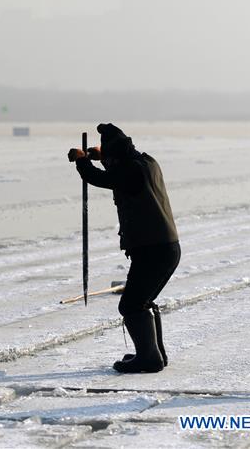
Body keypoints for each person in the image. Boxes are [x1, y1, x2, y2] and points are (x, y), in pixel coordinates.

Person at [67, 123, 180, 373]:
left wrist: (82, 161)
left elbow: (101, 178)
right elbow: (123, 168)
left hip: (152, 250)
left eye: (109, 156)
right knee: (141, 300)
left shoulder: (129, 171)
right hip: (165, 247)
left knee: (131, 305)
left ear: (115, 156)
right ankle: (153, 354)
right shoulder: (145, 161)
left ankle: (149, 359)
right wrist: (101, 156)